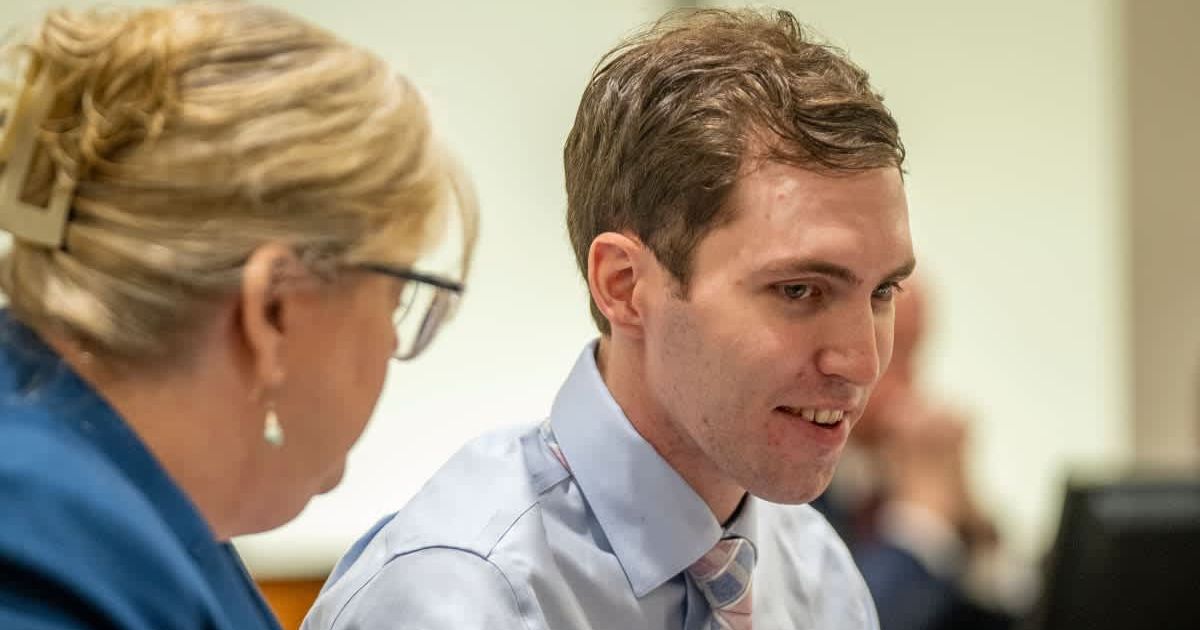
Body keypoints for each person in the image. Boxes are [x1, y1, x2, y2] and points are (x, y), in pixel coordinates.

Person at [305, 8, 913, 630]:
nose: (862, 361)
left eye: (883, 291)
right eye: (798, 290)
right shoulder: (460, 597)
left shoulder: (817, 573)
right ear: (623, 286)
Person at [0, 2, 475, 628]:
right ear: (273, 310)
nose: (392, 341)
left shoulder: (113, 510)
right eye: (396, 297)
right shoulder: (41, 571)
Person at [812, 279, 1033, 630]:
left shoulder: (898, 465)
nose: (910, 381)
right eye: (895, 355)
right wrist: (922, 520)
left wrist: (970, 524)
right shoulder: (791, 479)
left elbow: (1006, 615)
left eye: (915, 355)